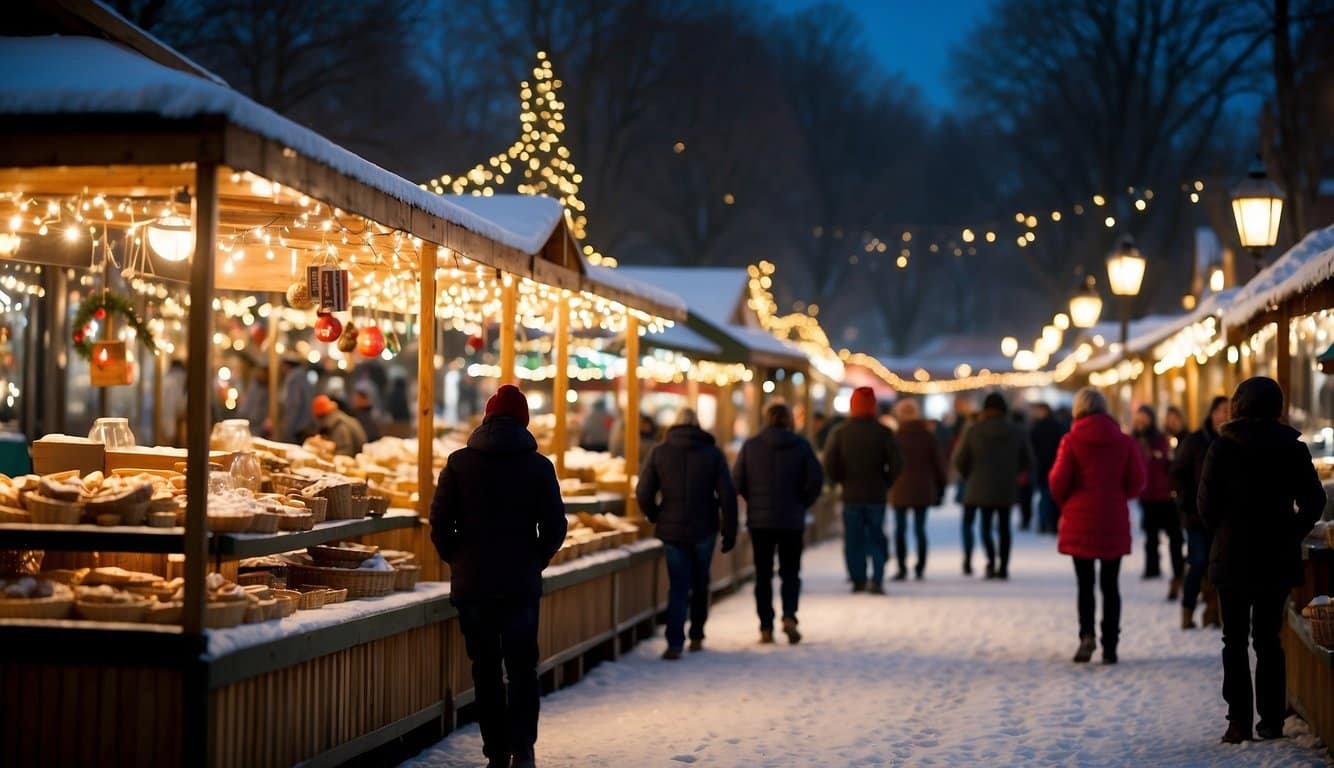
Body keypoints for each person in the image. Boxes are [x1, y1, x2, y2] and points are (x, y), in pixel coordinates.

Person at [430, 384, 566, 768]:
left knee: (485, 669)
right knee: (522, 668)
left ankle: (495, 752)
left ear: (487, 417)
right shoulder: (539, 467)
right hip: (520, 585)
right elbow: (555, 527)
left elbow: (440, 523)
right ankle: (522, 749)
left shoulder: (459, 463)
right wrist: (533, 560)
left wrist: (458, 558)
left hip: (474, 585)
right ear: (524, 421)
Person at [1198, 377, 1326, 744]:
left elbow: (1205, 508)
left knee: (1233, 639)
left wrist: (1225, 532)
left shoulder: (1222, 448)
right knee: (1269, 639)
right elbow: (1314, 502)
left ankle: (1237, 721)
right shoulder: (1292, 447)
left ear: (1238, 405)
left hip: (1232, 557)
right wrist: (1292, 531)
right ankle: (1271, 720)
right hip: (1276, 556)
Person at [1050, 387, 1146, 664]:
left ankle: (1087, 635)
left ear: (1078, 409)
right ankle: (1111, 645)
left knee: (1085, 583)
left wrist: (1068, 501)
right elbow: (1137, 481)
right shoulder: (1124, 441)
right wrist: (1118, 496)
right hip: (1112, 518)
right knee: (1110, 584)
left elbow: (1058, 481)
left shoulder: (1070, 440)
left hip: (1079, 518)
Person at [636, 409, 738, 659]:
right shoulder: (712, 454)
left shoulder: (659, 452)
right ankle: (697, 634)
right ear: (698, 426)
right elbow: (727, 494)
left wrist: (655, 514)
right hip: (705, 527)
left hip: (671, 529)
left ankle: (674, 642)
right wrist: (730, 529)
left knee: (678, 585)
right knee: (701, 581)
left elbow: (643, 492)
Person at [735, 402, 823, 644]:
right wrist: (802, 502)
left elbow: (737, 481)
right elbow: (816, 479)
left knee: (763, 574)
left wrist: (754, 500)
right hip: (791, 519)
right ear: (789, 420)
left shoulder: (751, 446)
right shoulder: (801, 446)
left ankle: (765, 625)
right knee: (790, 572)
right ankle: (789, 615)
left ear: (766, 419)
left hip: (760, 521)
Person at [823, 387, 903, 594]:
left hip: (851, 494)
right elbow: (897, 464)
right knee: (876, 536)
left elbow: (830, 463)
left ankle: (858, 578)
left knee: (853, 538)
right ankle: (877, 579)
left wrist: (841, 480)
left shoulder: (840, 432)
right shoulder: (884, 432)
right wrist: (886, 482)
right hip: (876, 494)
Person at [953, 392, 1032, 580]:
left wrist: (967, 475)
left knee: (985, 525)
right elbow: (1028, 460)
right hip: (1006, 485)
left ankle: (990, 562)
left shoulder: (974, 430)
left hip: (980, 484)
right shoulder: (1016, 430)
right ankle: (1003, 566)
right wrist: (1016, 472)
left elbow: (959, 458)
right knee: (1004, 528)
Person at [1173, 396, 1228, 630]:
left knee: (1219, 566)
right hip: (1196, 517)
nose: (1225, 416)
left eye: (1229, 411)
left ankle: (1215, 612)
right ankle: (1188, 612)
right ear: (1212, 413)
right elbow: (1177, 473)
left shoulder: (1234, 442)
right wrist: (1187, 502)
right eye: (1221, 411)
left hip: (1222, 519)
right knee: (1197, 563)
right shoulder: (1195, 441)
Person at [888, 399, 947, 580]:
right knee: (920, 529)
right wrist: (940, 487)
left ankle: (902, 567)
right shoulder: (927, 436)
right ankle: (920, 567)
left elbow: (889, 464)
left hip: (900, 488)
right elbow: (938, 465)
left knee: (900, 529)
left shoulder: (896, 437)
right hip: (923, 488)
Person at [1133, 405, 1183, 597]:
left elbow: (1168, 463)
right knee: (1150, 536)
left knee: (1174, 536)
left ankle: (1178, 571)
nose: (1141, 423)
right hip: (1146, 496)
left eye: (1144, 418)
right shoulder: (1133, 441)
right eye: (1139, 419)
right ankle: (1152, 568)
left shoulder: (1161, 439)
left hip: (1165, 495)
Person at [1029, 402, 1068, 535]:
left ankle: (1044, 523)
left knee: (1045, 496)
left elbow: (1032, 447)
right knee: (1051, 496)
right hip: (1053, 464)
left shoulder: (1038, 427)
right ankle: (1050, 523)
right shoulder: (1057, 426)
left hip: (1043, 466)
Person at [279, 357, 315, 444]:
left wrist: (288, 428)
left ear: (287, 365)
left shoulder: (293, 378)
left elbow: (294, 404)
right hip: (306, 424)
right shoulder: (303, 376)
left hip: (297, 426)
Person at [1011, 411, 1035, 530]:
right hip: (1026, 469)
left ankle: (1024, 519)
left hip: (1015, 468)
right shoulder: (1029, 430)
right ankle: (1026, 518)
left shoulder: (1011, 432)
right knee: (1026, 497)